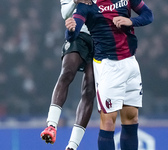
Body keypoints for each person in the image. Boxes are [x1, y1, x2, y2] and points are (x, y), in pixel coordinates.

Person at [65, 0, 153, 149]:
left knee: (132, 118)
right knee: (108, 121)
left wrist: (131, 21)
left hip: (131, 62)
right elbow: (72, 36)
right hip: (108, 66)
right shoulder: (86, 4)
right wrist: (71, 29)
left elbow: (148, 15)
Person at [40, 0, 96, 150]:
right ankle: (51, 125)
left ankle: (72, 146)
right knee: (67, 73)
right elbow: (65, 13)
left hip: (100, 37)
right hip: (78, 33)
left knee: (90, 89)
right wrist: (75, 1)